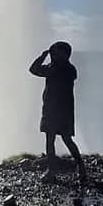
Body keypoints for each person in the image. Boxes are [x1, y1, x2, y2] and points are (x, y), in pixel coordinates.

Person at [29, 41, 86, 183]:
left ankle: (61, 169)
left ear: (64, 54)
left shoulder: (61, 68)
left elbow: (35, 69)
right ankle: (70, 168)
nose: (54, 54)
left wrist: (43, 57)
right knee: (54, 139)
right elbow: (34, 69)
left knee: (59, 139)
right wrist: (44, 56)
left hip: (58, 109)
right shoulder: (65, 68)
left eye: (56, 52)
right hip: (55, 109)